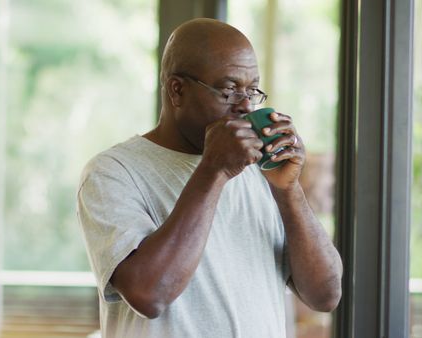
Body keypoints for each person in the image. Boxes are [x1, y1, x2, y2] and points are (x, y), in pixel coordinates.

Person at [77, 18, 342, 338]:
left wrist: (289, 192)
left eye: (252, 90)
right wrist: (214, 171)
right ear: (178, 90)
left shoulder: (261, 171)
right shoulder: (114, 172)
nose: (245, 106)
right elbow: (149, 294)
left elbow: (326, 295)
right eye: (229, 89)